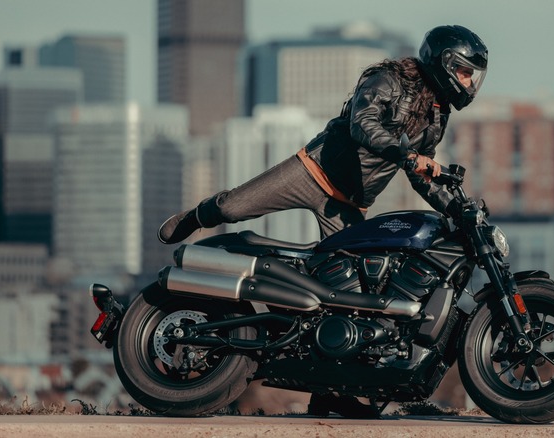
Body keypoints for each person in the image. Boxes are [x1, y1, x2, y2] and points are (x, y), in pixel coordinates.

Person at [157, 24, 488, 417]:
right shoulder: (388, 80)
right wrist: (408, 155)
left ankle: (329, 392)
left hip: (348, 206)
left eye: (473, 75)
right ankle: (196, 216)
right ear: (445, 62)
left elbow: (421, 176)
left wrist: (456, 209)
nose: (469, 82)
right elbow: (362, 125)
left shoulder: (436, 115)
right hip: (311, 171)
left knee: (346, 299)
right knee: (230, 209)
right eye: (466, 71)